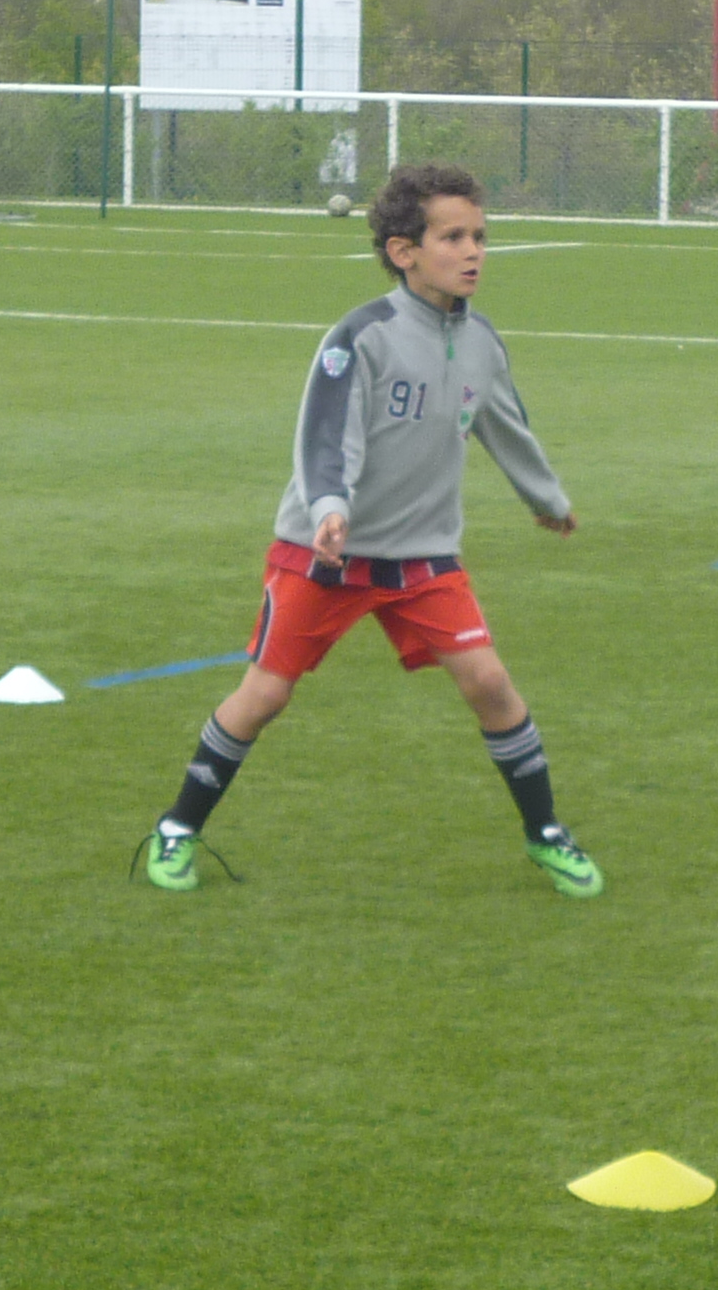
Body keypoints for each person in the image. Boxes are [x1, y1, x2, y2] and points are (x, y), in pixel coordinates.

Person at [143, 163, 602, 898]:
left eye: (480, 237)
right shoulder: (361, 338)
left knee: (489, 682)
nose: (473, 252)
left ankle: (545, 833)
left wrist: (545, 497)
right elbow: (327, 437)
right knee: (265, 695)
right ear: (403, 251)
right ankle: (177, 827)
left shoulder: (482, 341)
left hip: (423, 557)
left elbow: (504, 424)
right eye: (453, 237)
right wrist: (331, 506)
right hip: (324, 554)